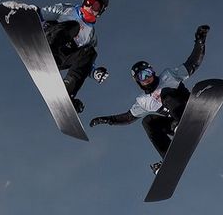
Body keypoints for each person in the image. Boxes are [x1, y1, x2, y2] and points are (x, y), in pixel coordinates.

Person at [89, 25, 210, 174]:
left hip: (189, 108)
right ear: (137, 81)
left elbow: (192, 63)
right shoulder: (143, 100)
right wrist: (106, 120)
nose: (147, 78)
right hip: (175, 125)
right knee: (148, 122)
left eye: (148, 73)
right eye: (142, 76)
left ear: (153, 71)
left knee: (164, 93)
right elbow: (127, 117)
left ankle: (183, 123)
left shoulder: (168, 75)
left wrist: (200, 42)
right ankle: (168, 159)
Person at [39, 0, 111, 113]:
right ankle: (48, 53)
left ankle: (67, 92)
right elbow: (41, 13)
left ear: (101, 11)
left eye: (96, 6)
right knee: (74, 26)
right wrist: (25, 13)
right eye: (89, 2)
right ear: (84, 0)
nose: (90, 7)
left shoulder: (91, 37)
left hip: (61, 59)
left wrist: (94, 73)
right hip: (48, 42)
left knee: (90, 52)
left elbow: (84, 64)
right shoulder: (67, 9)